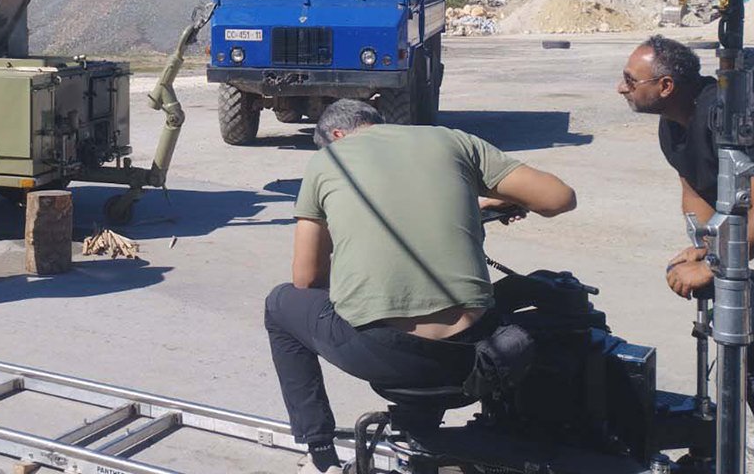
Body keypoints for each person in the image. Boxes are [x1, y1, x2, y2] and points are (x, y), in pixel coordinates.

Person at [264, 99, 576, 473]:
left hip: (380, 352)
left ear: (336, 135)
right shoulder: (454, 141)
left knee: (279, 305)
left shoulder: (327, 160)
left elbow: (306, 278)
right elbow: (559, 198)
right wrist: (489, 200)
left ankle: (318, 446)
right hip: (477, 349)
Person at [615, 35, 750, 299]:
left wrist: (715, 262)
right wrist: (706, 247)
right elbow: (694, 191)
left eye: (630, 80)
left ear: (666, 86)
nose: (621, 88)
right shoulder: (671, 124)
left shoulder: (725, 119)